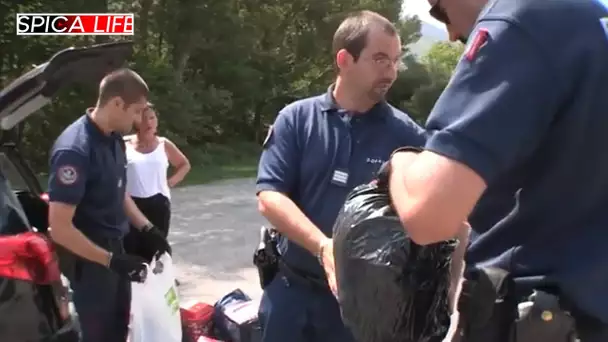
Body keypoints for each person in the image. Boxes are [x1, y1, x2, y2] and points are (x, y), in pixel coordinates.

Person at [386, 0, 608, 341]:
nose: (451, 34)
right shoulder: (593, 18)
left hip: (540, 317)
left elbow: (428, 214)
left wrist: (401, 162)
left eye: (438, 11)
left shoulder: (522, 20)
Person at [255, 10, 467, 342]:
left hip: (360, 313)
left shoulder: (407, 138)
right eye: (380, 59)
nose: (392, 71)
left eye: (396, 61)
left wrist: (443, 303)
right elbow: (270, 199)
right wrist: (324, 248)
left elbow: (448, 223)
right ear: (344, 59)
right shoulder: (297, 119)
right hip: (289, 294)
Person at [47, 68, 171, 342]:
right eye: (136, 111)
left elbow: (119, 192)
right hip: (90, 262)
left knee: (119, 330)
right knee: (98, 335)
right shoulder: (75, 150)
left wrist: (148, 228)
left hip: (117, 249)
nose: (140, 119)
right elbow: (60, 228)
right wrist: (110, 260)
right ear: (117, 103)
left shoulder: (113, 138)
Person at [123, 103, 190, 258]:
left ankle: (161, 279)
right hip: (132, 204)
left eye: (152, 118)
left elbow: (184, 165)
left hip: (159, 203)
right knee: (132, 248)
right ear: (134, 121)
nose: (149, 122)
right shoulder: (124, 145)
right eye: (143, 118)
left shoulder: (163, 144)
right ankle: (136, 279)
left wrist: (171, 182)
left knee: (157, 248)